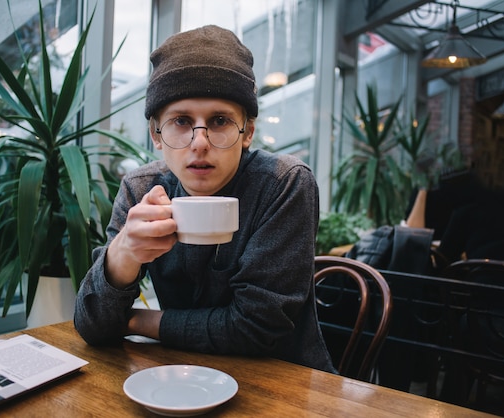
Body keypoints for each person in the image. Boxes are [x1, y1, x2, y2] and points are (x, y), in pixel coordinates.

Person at [74, 25, 336, 373]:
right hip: (179, 380)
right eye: (181, 120)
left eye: (220, 120)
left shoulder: (282, 183)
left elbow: (257, 328)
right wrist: (123, 254)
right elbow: (91, 326)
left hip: (283, 384)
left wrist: (137, 322)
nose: (199, 142)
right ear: (156, 134)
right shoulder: (143, 190)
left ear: (248, 133)